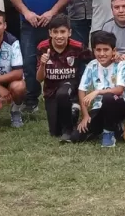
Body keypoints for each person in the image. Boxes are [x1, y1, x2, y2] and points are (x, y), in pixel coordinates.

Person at [9, 0, 74, 112]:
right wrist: (26, 12)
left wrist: (52, 13)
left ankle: (61, 97)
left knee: (60, 60)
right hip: (29, 23)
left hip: (55, 24)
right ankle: (31, 101)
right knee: (30, 62)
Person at [37, 14, 90, 142]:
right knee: (55, 132)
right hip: (50, 92)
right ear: (50, 33)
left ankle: (68, 130)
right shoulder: (43, 47)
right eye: (55, 32)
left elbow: (95, 60)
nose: (59, 36)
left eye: (63, 32)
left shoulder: (77, 47)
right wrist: (43, 64)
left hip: (70, 87)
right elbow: (39, 79)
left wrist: (114, 56)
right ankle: (73, 113)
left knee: (63, 93)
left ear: (69, 32)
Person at [74, 31, 125, 148]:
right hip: (99, 108)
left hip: (120, 105)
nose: (102, 53)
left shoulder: (121, 64)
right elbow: (81, 89)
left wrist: (97, 91)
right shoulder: (92, 65)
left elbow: (119, 90)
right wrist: (85, 115)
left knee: (108, 98)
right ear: (93, 51)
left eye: (106, 49)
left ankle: (109, 133)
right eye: (98, 50)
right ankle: (109, 127)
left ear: (113, 51)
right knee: (76, 136)